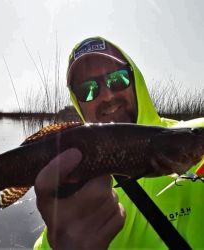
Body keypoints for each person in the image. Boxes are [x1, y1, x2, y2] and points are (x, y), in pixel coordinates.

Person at [34, 37, 204, 249]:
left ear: (135, 80)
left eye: (118, 79)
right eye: (87, 89)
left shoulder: (192, 133)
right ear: (77, 102)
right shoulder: (69, 190)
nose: (106, 95)